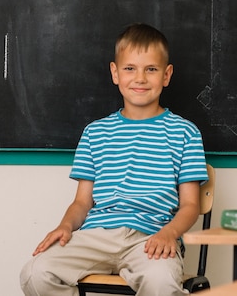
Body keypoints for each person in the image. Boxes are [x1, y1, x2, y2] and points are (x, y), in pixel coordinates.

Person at [20, 23, 208, 296]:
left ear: (166, 75)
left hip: (151, 238)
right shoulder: (96, 132)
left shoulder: (184, 133)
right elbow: (82, 202)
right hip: (96, 235)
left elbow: (190, 205)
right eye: (130, 68)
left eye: (151, 69)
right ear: (115, 73)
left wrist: (169, 233)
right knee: (35, 273)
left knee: (161, 284)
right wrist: (65, 225)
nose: (140, 78)